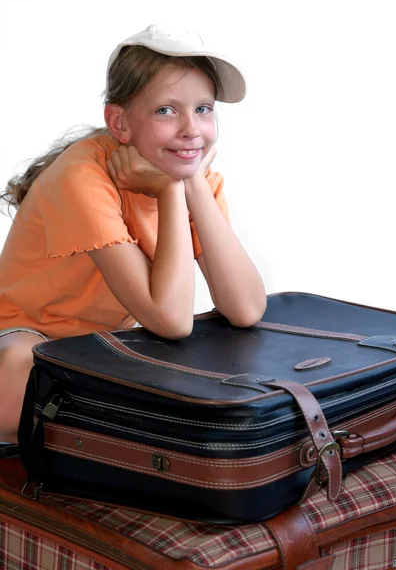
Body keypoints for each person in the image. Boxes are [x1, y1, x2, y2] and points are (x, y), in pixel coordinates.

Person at [0, 24, 267, 444]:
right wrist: (168, 189)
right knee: (20, 365)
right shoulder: (81, 178)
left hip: (113, 343)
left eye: (203, 108)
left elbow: (247, 308)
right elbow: (172, 320)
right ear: (119, 122)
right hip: (34, 337)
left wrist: (188, 185)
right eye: (166, 110)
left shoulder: (194, 177)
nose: (191, 129)